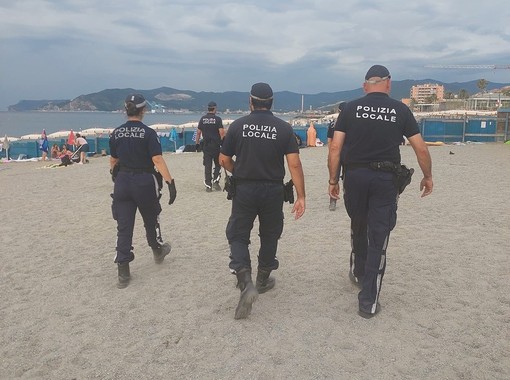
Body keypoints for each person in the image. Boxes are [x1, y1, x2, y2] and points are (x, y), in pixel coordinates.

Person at [328, 65, 433, 319]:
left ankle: (358, 270)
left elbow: (335, 148)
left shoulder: (350, 108)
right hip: (385, 178)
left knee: (358, 223)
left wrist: (333, 180)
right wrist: (427, 176)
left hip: (354, 176)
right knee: (379, 236)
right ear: (388, 83)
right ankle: (368, 302)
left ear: (365, 85)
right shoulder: (400, 109)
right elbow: (420, 147)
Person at [219, 83, 306, 319]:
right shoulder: (283, 128)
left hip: (244, 188)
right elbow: (294, 164)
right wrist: (301, 196)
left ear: (250, 101)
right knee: (269, 234)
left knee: (238, 234)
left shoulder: (237, 126)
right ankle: (263, 279)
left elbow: (224, 159)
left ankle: (245, 280)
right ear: (271, 103)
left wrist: (238, 170)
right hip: (273, 189)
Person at [109, 94, 177, 289]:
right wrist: (170, 182)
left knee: (124, 226)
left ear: (126, 110)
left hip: (122, 181)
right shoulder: (148, 133)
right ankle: (157, 250)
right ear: (143, 110)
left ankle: (123, 270)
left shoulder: (116, 133)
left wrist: (115, 176)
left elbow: (113, 160)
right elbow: (157, 160)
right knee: (151, 218)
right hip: (144, 181)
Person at [195, 101, 225, 192]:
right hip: (216, 146)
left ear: (208, 108)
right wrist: (223, 143)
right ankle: (216, 181)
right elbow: (222, 133)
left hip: (206, 146)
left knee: (207, 166)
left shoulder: (203, 119)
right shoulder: (218, 119)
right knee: (218, 164)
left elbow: (198, 133)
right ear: (215, 108)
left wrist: (197, 144)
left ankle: (208, 185)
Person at [327, 101, 346, 211]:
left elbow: (330, 141)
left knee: (333, 178)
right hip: (348, 154)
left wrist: (331, 154)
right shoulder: (351, 123)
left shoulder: (333, 123)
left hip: (335, 154)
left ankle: (332, 202)